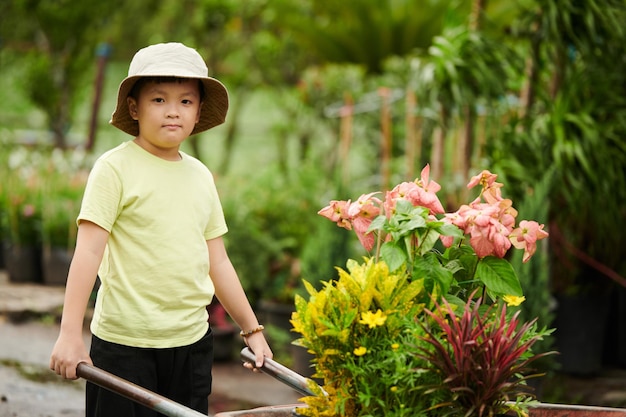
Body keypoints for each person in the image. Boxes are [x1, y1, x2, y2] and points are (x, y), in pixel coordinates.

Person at [49, 42, 272, 416]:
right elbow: (88, 252)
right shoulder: (115, 168)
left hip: (190, 344)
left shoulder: (200, 176)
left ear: (199, 110)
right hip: (125, 345)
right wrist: (70, 333)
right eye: (158, 100)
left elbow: (217, 261)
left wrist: (253, 330)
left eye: (186, 101)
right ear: (134, 108)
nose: (173, 112)